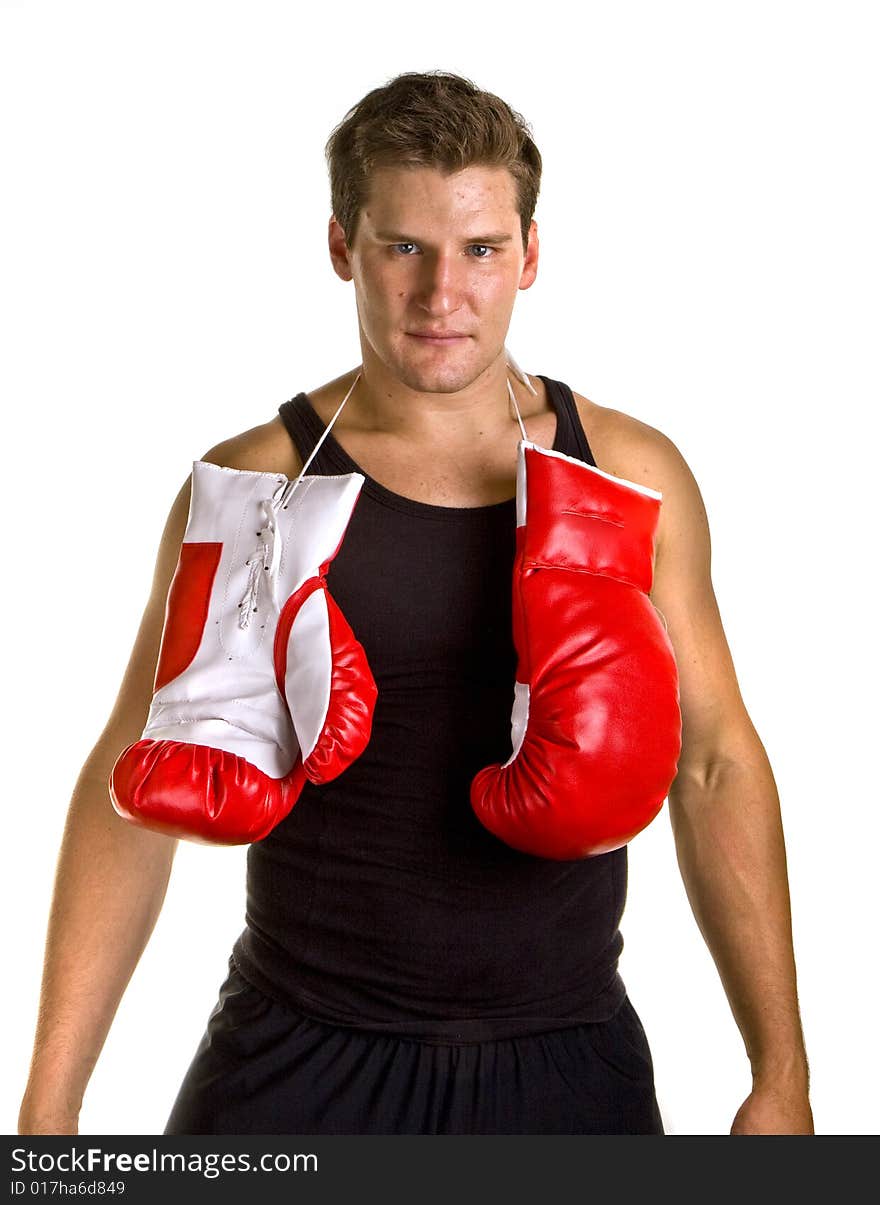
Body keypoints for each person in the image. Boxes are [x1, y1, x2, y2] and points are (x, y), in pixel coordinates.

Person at [18, 69, 813, 1136]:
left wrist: (781, 1073)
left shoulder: (626, 474)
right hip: (294, 1055)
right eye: (405, 247)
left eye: (480, 250)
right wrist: (49, 1111)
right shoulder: (258, 488)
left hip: (569, 1061)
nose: (443, 294)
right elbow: (134, 785)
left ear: (531, 254)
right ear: (341, 245)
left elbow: (714, 759)